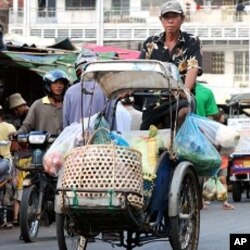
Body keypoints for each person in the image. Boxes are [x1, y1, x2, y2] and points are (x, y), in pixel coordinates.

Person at [138, 0, 202, 129]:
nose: (170, 21)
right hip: (154, 100)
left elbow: (193, 67)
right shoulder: (150, 43)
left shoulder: (192, 41)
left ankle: (180, 143)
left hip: (180, 99)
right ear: (161, 20)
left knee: (183, 114)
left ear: (182, 18)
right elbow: (139, 69)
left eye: (174, 16)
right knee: (149, 137)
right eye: (166, 17)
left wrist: (186, 90)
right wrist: (127, 88)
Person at [63, 49, 115, 129]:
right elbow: (110, 119)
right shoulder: (107, 89)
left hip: (74, 137)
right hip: (99, 138)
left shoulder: (70, 92)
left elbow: (65, 122)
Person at [17, 69, 69, 135]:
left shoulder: (67, 104)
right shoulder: (38, 105)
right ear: (48, 85)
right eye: (55, 83)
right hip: (43, 144)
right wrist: (16, 134)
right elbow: (27, 126)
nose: (59, 86)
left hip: (64, 144)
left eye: (61, 83)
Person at [6, 93, 29, 227]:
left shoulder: (30, 113)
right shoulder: (20, 119)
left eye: (16, 109)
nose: (16, 112)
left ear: (21, 106)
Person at [0, 105, 16, 228]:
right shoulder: (10, 127)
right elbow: (15, 146)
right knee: (6, 190)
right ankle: (5, 220)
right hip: (6, 162)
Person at [215, 109, 235, 210]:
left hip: (223, 157)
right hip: (215, 157)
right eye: (222, 116)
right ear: (219, 117)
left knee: (223, 179)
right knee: (208, 179)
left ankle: (225, 202)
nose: (224, 117)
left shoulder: (223, 128)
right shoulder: (215, 128)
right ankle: (203, 200)